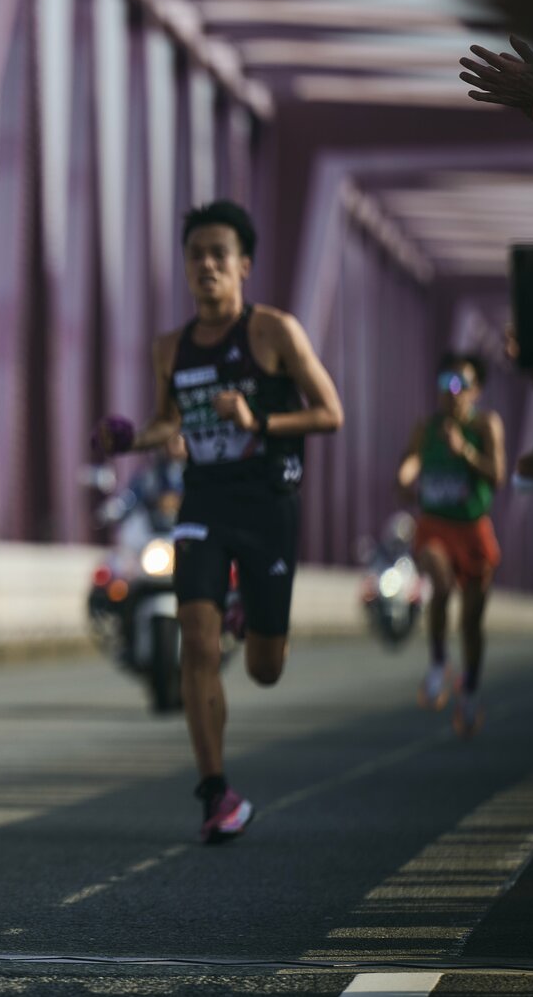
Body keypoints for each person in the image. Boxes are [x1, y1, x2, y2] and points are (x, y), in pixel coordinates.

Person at [112, 200, 343, 844]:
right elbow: (169, 424)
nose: (207, 265)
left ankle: (251, 610)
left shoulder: (274, 332)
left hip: (269, 503)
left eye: (220, 254)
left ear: (245, 265)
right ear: (185, 268)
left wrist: (258, 422)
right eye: (196, 255)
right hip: (205, 503)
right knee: (198, 640)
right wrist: (129, 440)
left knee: (266, 666)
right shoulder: (171, 347)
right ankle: (216, 791)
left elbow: (330, 414)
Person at [396, 354, 506, 738]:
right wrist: (406, 473)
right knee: (439, 583)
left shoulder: (485, 425)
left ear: (475, 391)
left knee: (472, 621)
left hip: (473, 529)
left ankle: (471, 688)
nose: (452, 392)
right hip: (435, 526)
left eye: (461, 384)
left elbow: (497, 475)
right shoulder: (426, 428)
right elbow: (408, 463)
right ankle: (439, 663)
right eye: (446, 383)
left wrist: (466, 453)